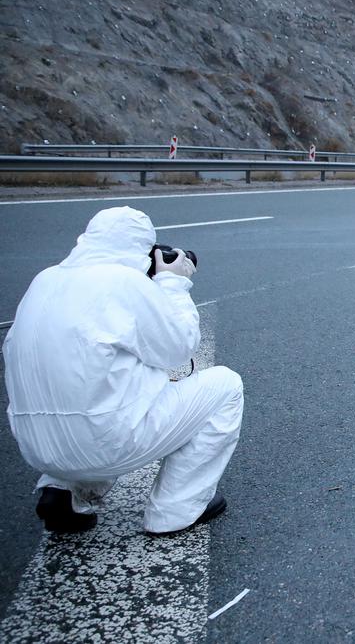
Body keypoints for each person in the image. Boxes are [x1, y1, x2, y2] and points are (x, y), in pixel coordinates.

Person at [3, 207, 243, 536]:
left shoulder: (43, 281)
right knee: (227, 387)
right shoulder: (125, 282)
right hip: (102, 444)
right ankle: (175, 510)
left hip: (36, 447)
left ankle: (63, 489)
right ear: (143, 249)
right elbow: (179, 347)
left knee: (94, 385)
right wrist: (172, 282)